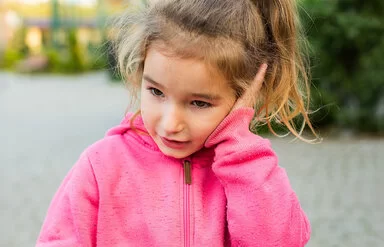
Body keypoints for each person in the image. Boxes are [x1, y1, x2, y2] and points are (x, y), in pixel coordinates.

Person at [36, 0, 319, 246]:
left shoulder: (250, 174)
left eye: (199, 103)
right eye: (156, 92)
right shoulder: (101, 166)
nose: (171, 124)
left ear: (245, 96)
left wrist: (239, 147)